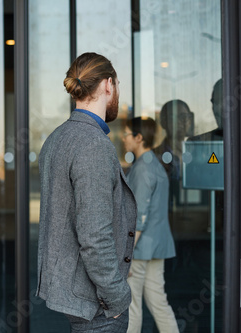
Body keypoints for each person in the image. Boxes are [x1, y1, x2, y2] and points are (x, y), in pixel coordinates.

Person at [37, 52, 137, 332]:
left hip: (74, 295)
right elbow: (95, 236)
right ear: (108, 85)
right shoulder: (93, 144)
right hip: (96, 305)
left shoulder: (57, 137)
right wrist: (117, 298)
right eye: (116, 85)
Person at [122, 117, 178, 333]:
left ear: (139, 138)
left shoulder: (143, 169)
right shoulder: (153, 164)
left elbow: (139, 217)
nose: (123, 139)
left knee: (132, 306)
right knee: (158, 303)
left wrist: (126, 254)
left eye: (127, 134)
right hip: (157, 246)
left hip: (141, 248)